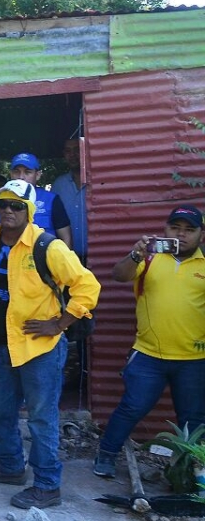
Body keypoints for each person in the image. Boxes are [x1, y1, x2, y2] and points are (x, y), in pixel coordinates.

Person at [0, 179, 100, 510]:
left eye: (16, 206)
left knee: (41, 418)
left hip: (40, 349)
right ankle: (10, 467)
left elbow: (87, 285)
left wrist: (60, 322)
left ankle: (47, 485)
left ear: (29, 211)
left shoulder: (47, 247)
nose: (8, 211)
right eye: (3, 205)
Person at [93, 205, 205, 478]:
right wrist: (135, 254)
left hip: (193, 360)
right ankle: (106, 455)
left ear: (201, 235)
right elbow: (119, 275)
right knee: (132, 407)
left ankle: (189, 471)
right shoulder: (150, 258)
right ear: (165, 230)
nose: (182, 235)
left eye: (190, 230)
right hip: (148, 355)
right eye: (175, 228)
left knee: (193, 420)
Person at [0, 153, 72, 247]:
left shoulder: (51, 200)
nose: (21, 177)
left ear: (38, 175)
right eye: (16, 171)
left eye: (27, 172)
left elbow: (66, 238)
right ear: (11, 174)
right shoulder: (1, 200)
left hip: (44, 258)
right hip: (11, 258)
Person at [50, 139, 88, 262]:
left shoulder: (99, 183)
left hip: (98, 256)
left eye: (77, 150)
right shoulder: (59, 185)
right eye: (68, 151)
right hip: (67, 258)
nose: (72, 155)